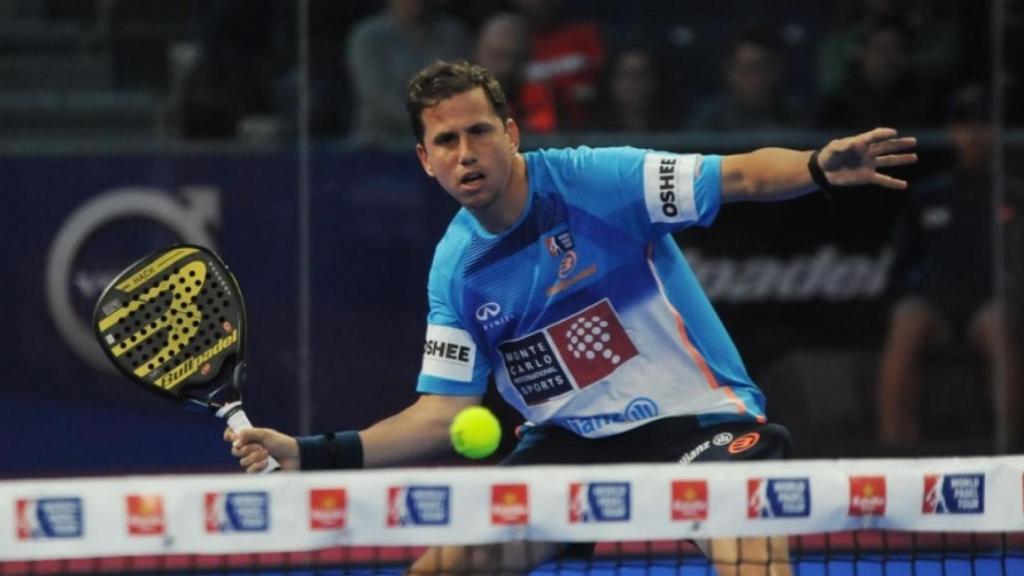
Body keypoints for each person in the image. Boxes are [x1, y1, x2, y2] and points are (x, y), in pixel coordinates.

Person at [226, 61, 917, 575]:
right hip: (568, 447)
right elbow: (438, 415)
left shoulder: (599, 179)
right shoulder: (456, 271)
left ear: (511, 133)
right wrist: (312, 451)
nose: (465, 154)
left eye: (478, 132)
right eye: (445, 142)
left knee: (755, 563)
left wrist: (818, 166)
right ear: (424, 160)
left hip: (696, 422)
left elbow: (737, 176)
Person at [876, 85, 1021, 451]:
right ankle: (895, 451)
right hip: (937, 305)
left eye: (984, 124)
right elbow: (901, 267)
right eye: (965, 125)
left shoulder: (1013, 195)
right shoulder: (929, 196)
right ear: (952, 133)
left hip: (989, 304)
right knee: (907, 320)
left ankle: (1013, 449)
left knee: (997, 325)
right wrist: (918, 290)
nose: (974, 135)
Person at [347, 0, 471, 145]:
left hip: (444, 142)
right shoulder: (368, 36)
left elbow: (460, 86)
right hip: (381, 143)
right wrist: (426, 121)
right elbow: (376, 96)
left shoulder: (451, 33)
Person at [686, 28, 803, 132]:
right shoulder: (709, 120)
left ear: (777, 69)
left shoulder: (796, 117)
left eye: (762, 68)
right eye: (745, 70)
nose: (755, 79)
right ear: (729, 72)